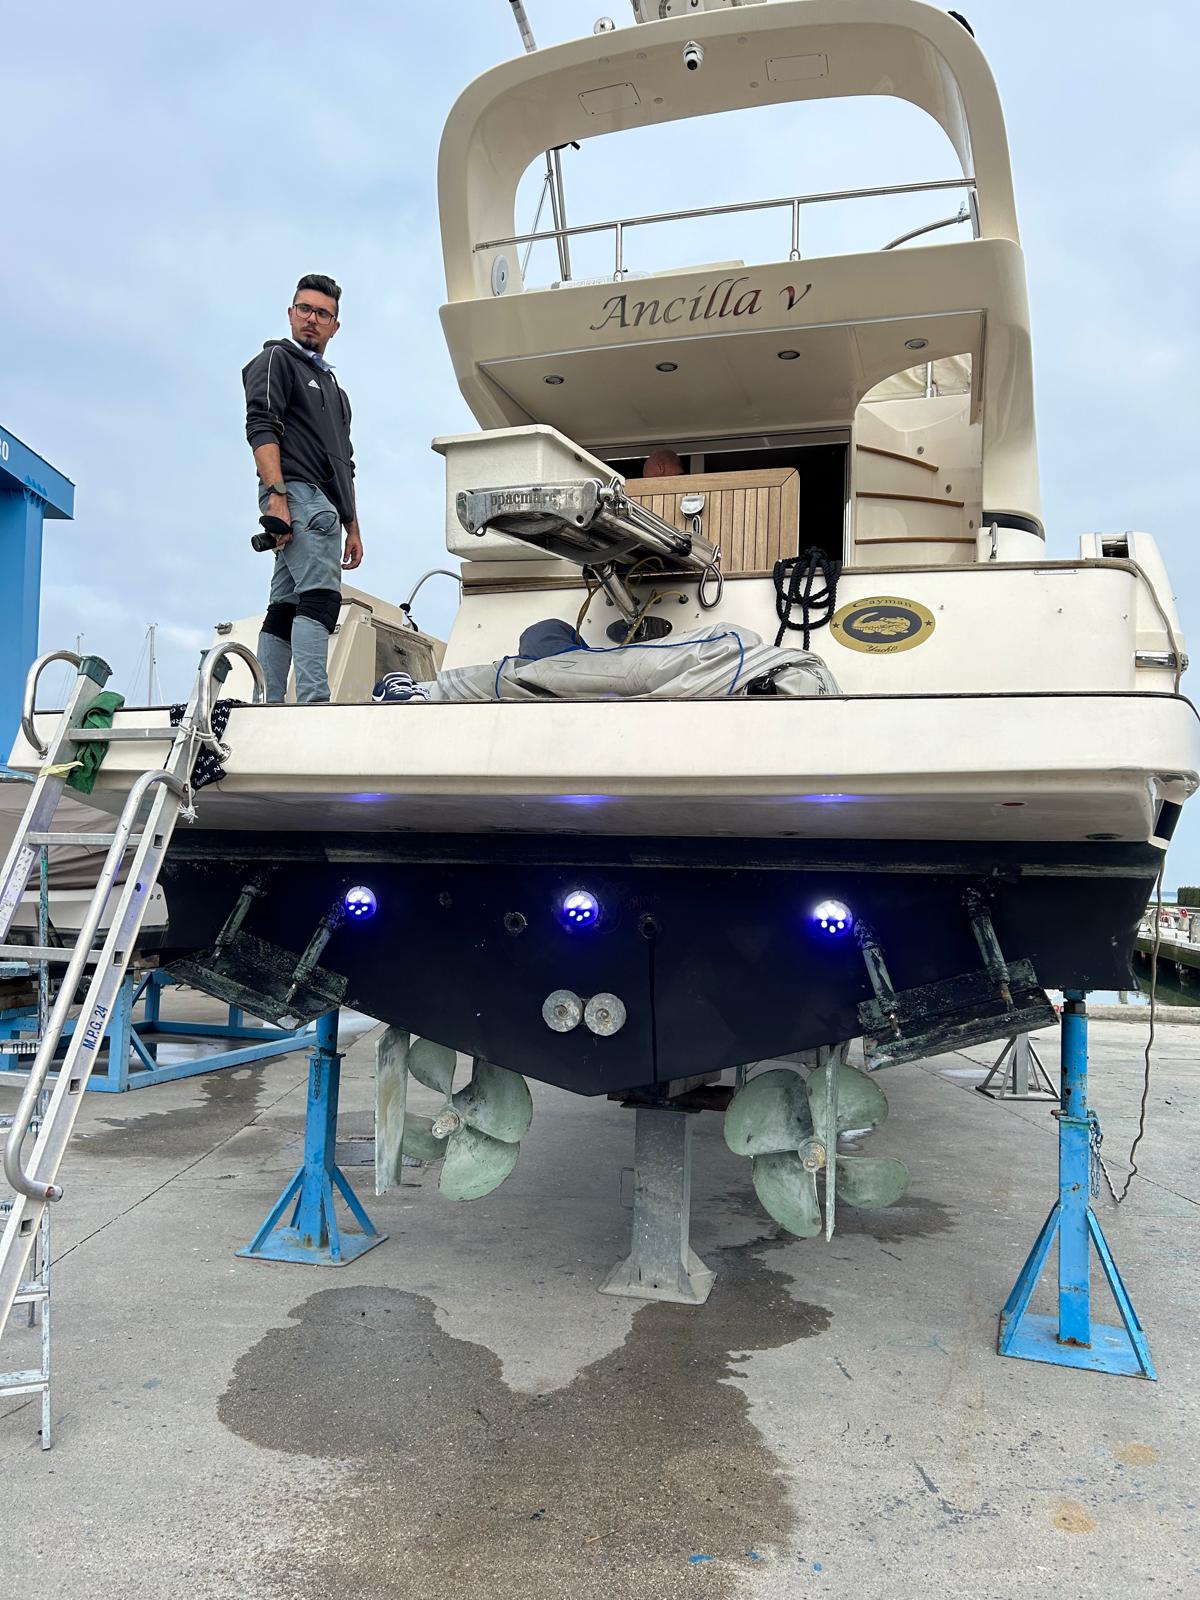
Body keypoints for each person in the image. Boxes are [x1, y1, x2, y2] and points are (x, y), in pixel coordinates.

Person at [242, 274, 363, 703]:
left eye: (323, 313)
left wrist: (353, 525)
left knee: (286, 604)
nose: (312, 319)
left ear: (335, 325)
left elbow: (343, 462)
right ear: (291, 313)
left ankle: (270, 703)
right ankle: (313, 704)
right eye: (305, 309)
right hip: (298, 496)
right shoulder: (277, 360)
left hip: (326, 509)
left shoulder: (335, 390)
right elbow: (261, 425)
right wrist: (277, 496)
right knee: (321, 600)